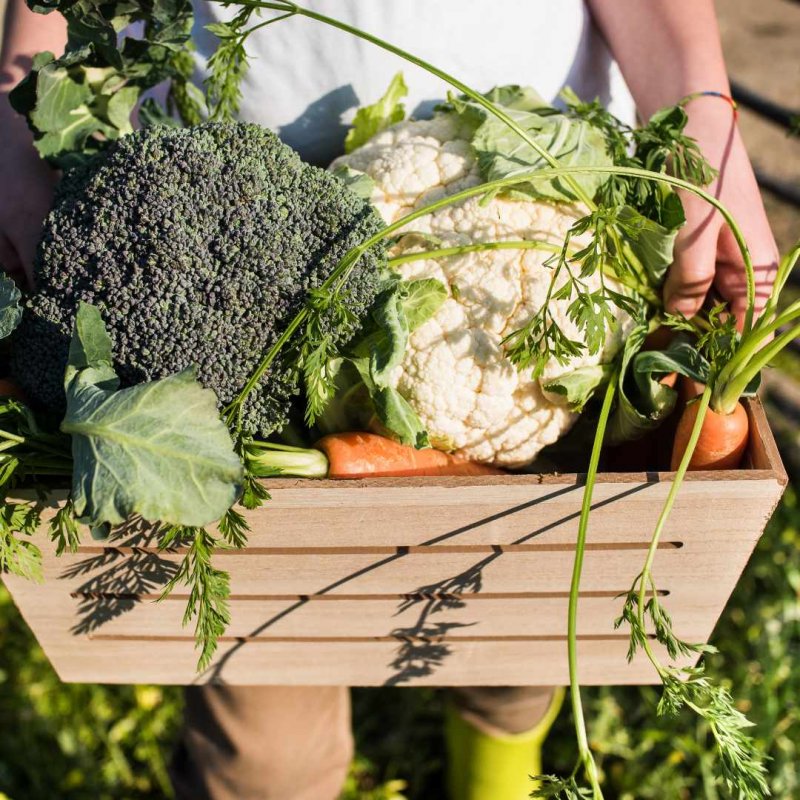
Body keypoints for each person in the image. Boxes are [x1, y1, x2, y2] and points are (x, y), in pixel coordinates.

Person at [0, 2, 779, 799]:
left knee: (524, 636)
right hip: (206, 240)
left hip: (550, 180)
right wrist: (13, 117)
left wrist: (703, 122)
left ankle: (501, 759)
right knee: (264, 750)